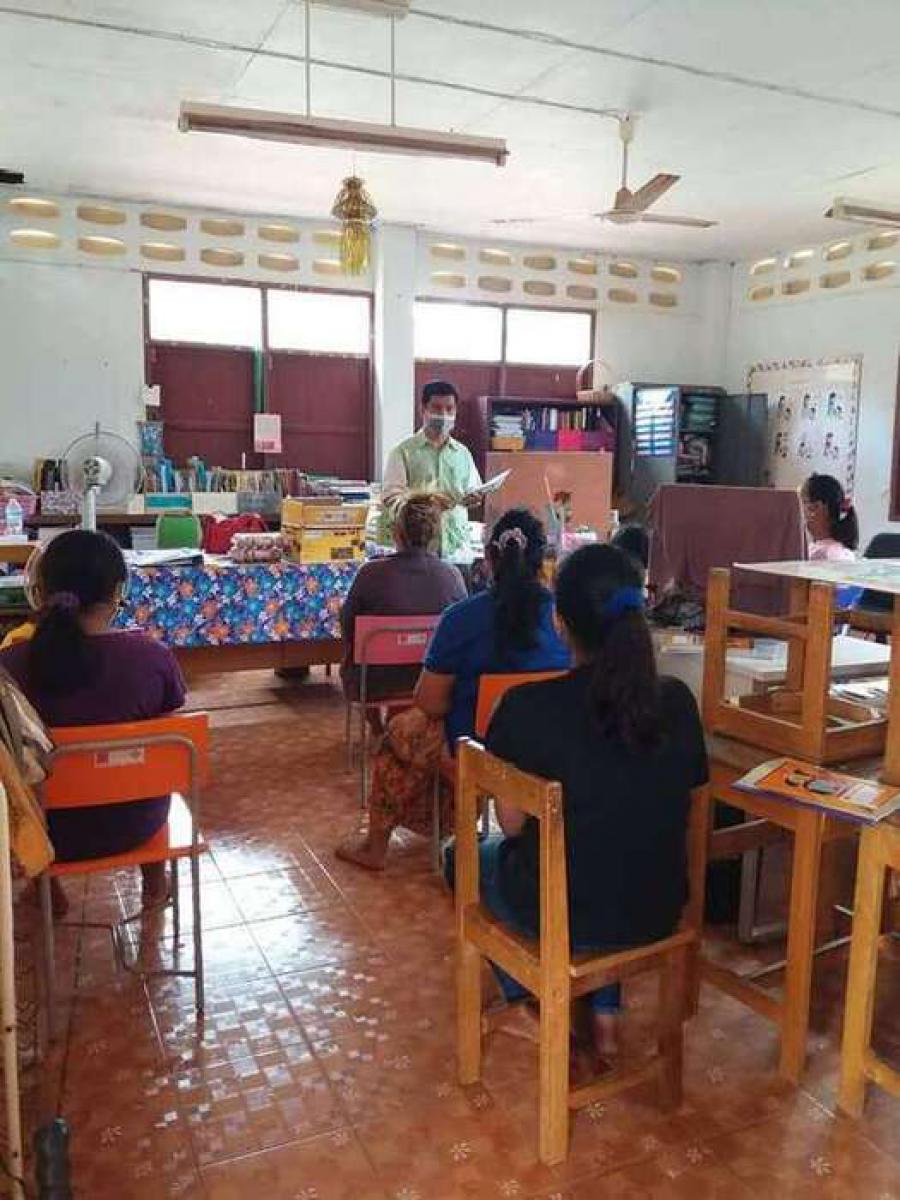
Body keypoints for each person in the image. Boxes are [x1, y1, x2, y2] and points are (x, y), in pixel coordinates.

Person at [446, 543, 708, 1066]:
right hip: (658, 909)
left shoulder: (526, 709)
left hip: (568, 912)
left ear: (560, 623)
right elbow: (683, 805)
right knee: (609, 843)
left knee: (460, 855)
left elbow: (512, 826)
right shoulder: (677, 702)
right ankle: (605, 1015)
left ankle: (532, 1005)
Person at [336, 508, 570, 870]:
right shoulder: (565, 618)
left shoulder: (462, 618)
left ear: (489, 558)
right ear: (544, 561)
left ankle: (377, 846)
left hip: (474, 751)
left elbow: (429, 701)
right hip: (551, 748)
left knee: (401, 732)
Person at [0, 530, 186, 908]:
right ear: (118, 592)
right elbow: (166, 734)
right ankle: (155, 882)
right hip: (137, 823)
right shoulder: (153, 657)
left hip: (41, 834)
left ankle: (46, 889)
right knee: (144, 759)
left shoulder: (9, 666)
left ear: (40, 590)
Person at [340, 493, 467, 718]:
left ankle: (378, 730)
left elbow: (347, 626)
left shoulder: (369, 574)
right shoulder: (452, 576)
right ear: (435, 535)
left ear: (396, 533)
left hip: (373, 681)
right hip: (433, 679)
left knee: (358, 654)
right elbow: (461, 631)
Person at [382, 381, 483, 564]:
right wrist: (425, 505)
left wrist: (474, 498)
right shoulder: (403, 452)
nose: (443, 415)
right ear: (423, 409)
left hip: (457, 549)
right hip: (417, 551)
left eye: (449, 409)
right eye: (436, 408)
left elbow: (473, 489)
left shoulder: (462, 454)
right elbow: (391, 497)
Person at [801, 473, 859, 562]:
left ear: (817, 507)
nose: (801, 511)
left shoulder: (830, 554)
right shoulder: (815, 547)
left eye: (804, 502)